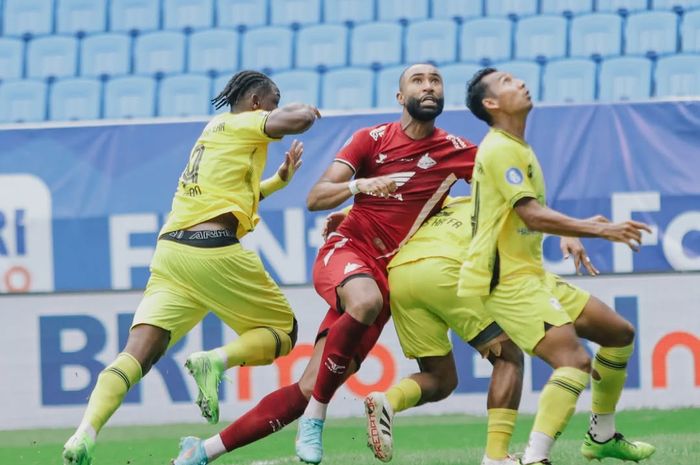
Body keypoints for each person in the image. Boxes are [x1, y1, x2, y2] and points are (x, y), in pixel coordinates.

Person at [169, 63, 480, 465]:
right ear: (400, 97)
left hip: (387, 279)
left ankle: (202, 450)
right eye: (417, 81)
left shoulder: (456, 151)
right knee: (362, 305)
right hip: (347, 250)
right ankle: (316, 419)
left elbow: (505, 191)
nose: (428, 86)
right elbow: (316, 197)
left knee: (309, 386)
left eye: (435, 80)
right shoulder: (370, 139)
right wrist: (359, 187)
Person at [61, 70, 320, 465]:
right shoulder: (244, 123)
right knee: (284, 333)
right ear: (254, 103)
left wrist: (277, 182)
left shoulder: (217, 132)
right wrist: (306, 111)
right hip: (212, 251)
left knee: (139, 353)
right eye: (272, 100)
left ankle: (84, 433)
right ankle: (213, 360)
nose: (274, 108)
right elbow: (297, 119)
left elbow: (233, 193)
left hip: (172, 254)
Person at [459, 67, 656, 465]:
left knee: (618, 333)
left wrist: (569, 230)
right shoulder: (498, 148)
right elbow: (530, 215)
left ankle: (601, 437)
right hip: (506, 282)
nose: (521, 83)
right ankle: (536, 458)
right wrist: (599, 229)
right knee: (575, 362)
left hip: (531, 274)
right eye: (508, 82)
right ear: (491, 104)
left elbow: (524, 212)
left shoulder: (519, 146)